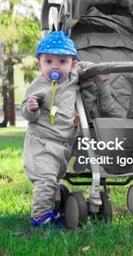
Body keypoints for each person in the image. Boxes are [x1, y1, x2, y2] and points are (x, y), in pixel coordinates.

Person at [21, 31, 91, 227]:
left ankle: (53, 209)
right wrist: (31, 108)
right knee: (45, 181)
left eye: (62, 62)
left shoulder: (73, 76)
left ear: (73, 64)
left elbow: (90, 68)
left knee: (54, 179)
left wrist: (97, 75)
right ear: (39, 64)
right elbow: (26, 113)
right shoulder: (37, 85)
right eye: (49, 61)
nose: (55, 67)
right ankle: (40, 218)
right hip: (41, 143)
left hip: (63, 144)